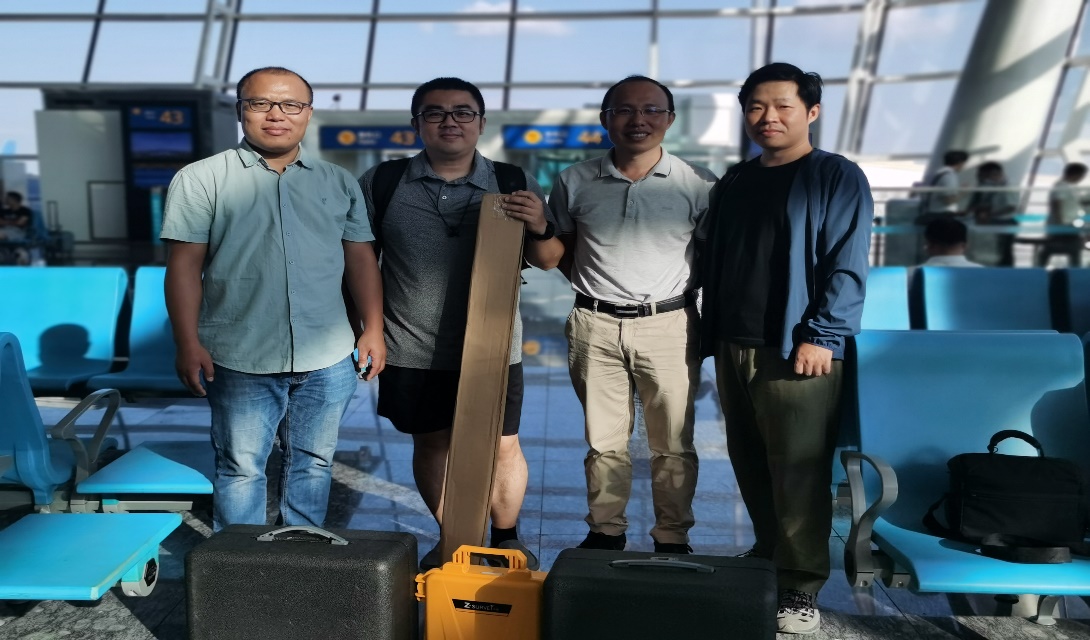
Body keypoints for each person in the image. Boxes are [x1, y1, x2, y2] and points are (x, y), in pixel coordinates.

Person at [161, 66, 385, 532]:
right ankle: (236, 563)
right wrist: (187, 342)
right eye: (260, 103)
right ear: (241, 110)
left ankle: (301, 553)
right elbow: (183, 266)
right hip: (240, 354)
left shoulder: (338, 181)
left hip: (328, 355)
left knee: (315, 462)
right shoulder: (201, 179)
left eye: (291, 105)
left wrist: (374, 328)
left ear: (308, 113)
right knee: (241, 468)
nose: (276, 115)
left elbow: (360, 259)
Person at [357, 77, 563, 571]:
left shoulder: (511, 180)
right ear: (416, 124)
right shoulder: (383, 182)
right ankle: (455, 539)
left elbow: (550, 259)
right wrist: (368, 328)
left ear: (481, 123)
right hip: (411, 344)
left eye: (463, 112)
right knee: (432, 443)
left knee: (503, 445)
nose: (450, 121)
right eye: (435, 113)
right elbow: (361, 261)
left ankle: (506, 538)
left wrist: (541, 225)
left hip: (495, 347)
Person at [700, 62, 873, 635]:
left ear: (812, 112)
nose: (767, 117)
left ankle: (800, 585)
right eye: (756, 106)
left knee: (798, 469)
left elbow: (847, 264)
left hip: (797, 347)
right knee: (749, 459)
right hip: (734, 341)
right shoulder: (736, 180)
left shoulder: (836, 176)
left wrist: (822, 335)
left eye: (783, 106)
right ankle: (768, 551)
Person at [551, 75, 716, 555]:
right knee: (604, 441)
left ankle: (672, 536)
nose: (637, 119)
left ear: (670, 119)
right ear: (605, 119)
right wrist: (595, 288)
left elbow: (712, 258)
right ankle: (606, 531)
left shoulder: (700, 184)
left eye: (651, 110)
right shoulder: (574, 181)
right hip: (594, 324)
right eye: (624, 110)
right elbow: (562, 251)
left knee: (673, 443)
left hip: (670, 324)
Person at [1038, 162, 1089, 268]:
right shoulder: (1061, 186)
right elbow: (1056, 204)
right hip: (1064, 224)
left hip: (1069, 223)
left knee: (1074, 248)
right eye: (1082, 175)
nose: (1082, 178)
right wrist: (1060, 224)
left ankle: (1075, 269)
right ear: (1076, 174)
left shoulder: (1069, 187)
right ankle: (1040, 268)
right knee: (1056, 248)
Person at [966, 161, 1017, 266]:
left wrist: (989, 214)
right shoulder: (993, 186)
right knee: (994, 249)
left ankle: (1005, 271)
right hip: (993, 221)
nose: (982, 178)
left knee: (1004, 250)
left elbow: (1011, 207)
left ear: (993, 174)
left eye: (984, 175)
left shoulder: (1008, 186)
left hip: (1004, 222)